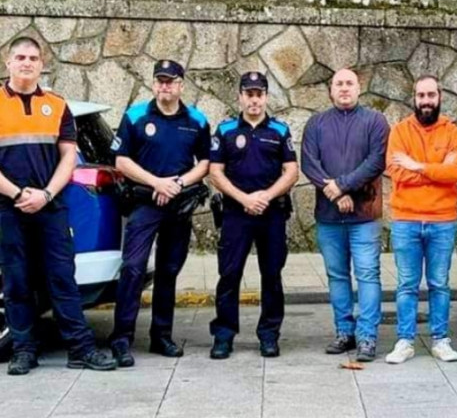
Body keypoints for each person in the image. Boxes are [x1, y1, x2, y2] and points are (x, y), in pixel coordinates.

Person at [0, 36, 117, 375]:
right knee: (16, 281)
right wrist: (19, 195)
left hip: (51, 207)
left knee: (62, 279)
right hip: (9, 208)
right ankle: (24, 349)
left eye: (33, 58)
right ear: (8, 62)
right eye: (20, 57)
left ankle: (80, 348)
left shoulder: (56, 105)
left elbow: (68, 156)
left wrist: (46, 194)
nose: (26, 63)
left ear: (41, 65)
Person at [108, 59, 210, 367]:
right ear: (154, 84)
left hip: (178, 205)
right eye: (160, 80)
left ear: (181, 85)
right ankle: (121, 338)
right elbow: (121, 161)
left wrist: (177, 184)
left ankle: (161, 335)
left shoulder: (197, 120)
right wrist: (157, 183)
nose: (165, 86)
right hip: (144, 202)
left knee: (169, 270)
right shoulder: (136, 115)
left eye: (171, 81)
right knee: (133, 268)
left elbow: (205, 163)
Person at [207, 72, 298, 359]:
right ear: (240, 97)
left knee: (271, 276)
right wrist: (244, 198)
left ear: (266, 97)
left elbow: (292, 171)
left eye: (259, 94)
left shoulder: (280, 131)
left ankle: (269, 335)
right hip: (236, 213)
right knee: (229, 275)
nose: (254, 99)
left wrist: (265, 197)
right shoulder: (225, 130)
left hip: (271, 214)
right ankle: (224, 336)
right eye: (249, 93)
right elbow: (214, 172)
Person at [301, 68, 390, 362]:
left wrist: (342, 185)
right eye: (338, 84)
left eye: (349, 83)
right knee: (337, 276)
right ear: (330, 89)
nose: (344, 88)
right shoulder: (316, 124)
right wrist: (337, 193)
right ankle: (344, 332)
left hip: (364, 214)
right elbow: (309, 163)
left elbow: (376, 161)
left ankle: (367, 337)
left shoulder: (375, 122)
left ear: (359, 88)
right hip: (328, 217)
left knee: (367, 275)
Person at [384, 76, 457, 364]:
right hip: (406, 219)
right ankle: (405, 340)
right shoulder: (399, 131)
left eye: (431, 95)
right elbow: (396, 171)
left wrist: (417, 166)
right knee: (407, 283)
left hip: (442, 220)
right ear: (414, 98)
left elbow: (455, 173)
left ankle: (440, 339)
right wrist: (436, 170)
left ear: (439, 96)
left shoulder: (453, 133)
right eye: (421, 95)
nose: (426, 100)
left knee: (439, 283)